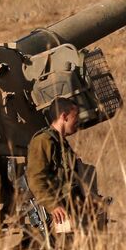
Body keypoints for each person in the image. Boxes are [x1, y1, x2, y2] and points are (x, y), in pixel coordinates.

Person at [26, 98, 103, 234]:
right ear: (64, 116)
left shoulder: (61, 143)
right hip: (58, 217)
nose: (78, 120)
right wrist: (53, 205)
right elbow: (36, 179)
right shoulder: (43, 141)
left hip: (71, 211)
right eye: (75, 116)